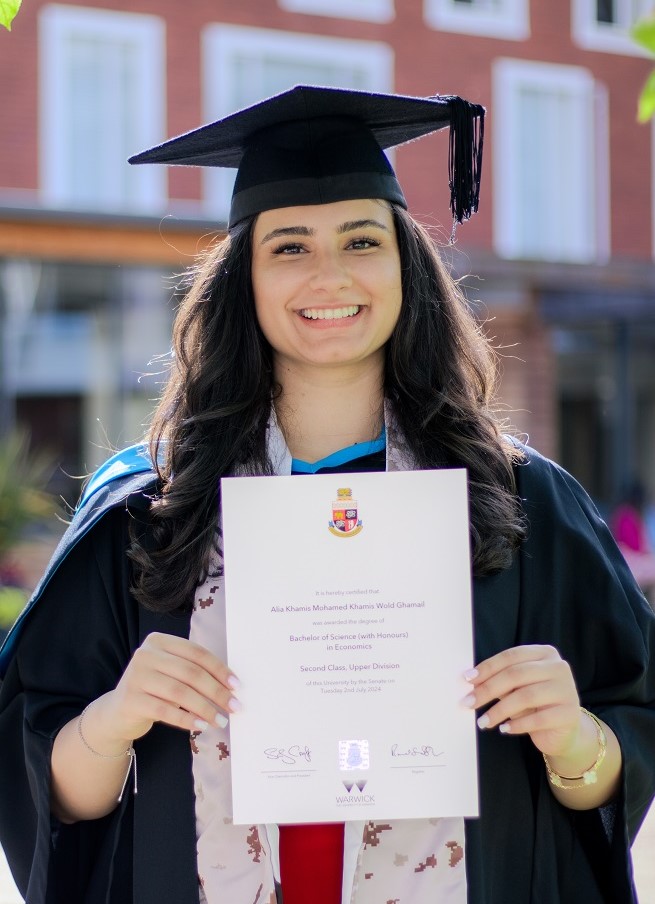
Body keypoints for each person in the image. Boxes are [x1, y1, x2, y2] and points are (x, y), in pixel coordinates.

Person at [0, 84, 654, 904]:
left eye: (359, 239)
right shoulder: (149, 508)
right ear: (243, 278)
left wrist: (574, 740)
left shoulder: (518, 502)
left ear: (404, 264)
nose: (329, 274)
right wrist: (116, 716)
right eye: (288, 247)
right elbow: (53, 800)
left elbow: (614, 766)